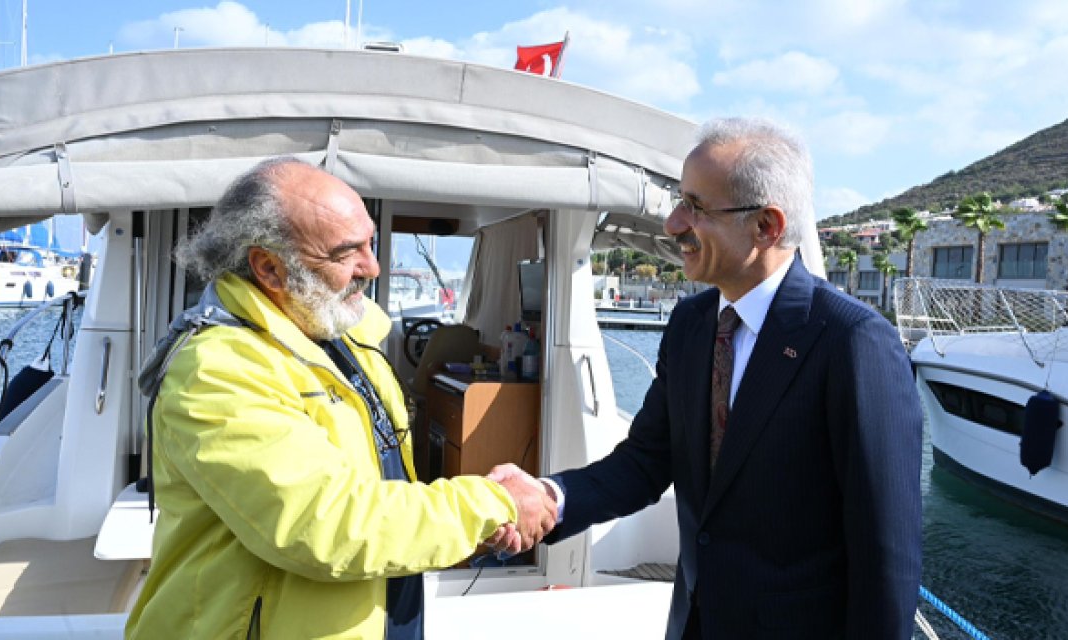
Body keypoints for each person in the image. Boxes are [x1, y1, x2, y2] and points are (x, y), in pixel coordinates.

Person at [492, 117, 923, 639]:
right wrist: (549, 498)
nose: (674, 223)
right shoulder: (692, 325)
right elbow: (647, 461)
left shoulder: (851, 342)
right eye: (680, 201)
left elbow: (887, 556)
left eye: (695, 207)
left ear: (766, 226)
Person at [126, 157, 555, 640]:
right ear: (269, 268)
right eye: (346, 252)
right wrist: (491, 504)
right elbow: (327, 524)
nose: (372, 267)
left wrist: (468, 529)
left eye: (370, 242)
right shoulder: (217, 370)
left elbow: (384, 491)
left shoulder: (338, 337)